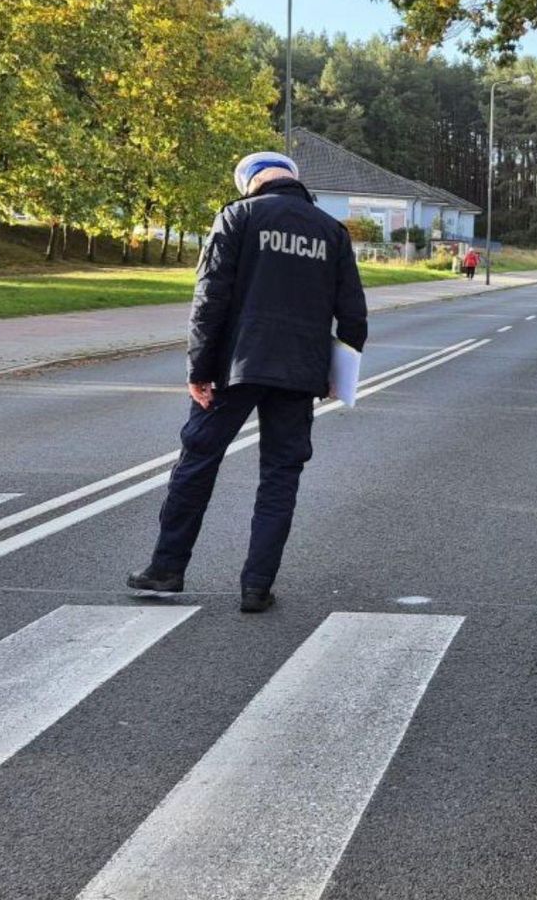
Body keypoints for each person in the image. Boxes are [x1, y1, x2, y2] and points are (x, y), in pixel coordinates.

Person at [127, 151, 368, 612]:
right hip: (299, 374)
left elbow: (209, 299)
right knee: (280, 475)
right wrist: (339, 376)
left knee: (197, 463)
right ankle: (257, 586)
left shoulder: (237, 217)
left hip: (233, 368)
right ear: (294, 181)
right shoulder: (331, 232)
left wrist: (198, 369)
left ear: (250, 182)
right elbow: (353, 317)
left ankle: (166, 569)